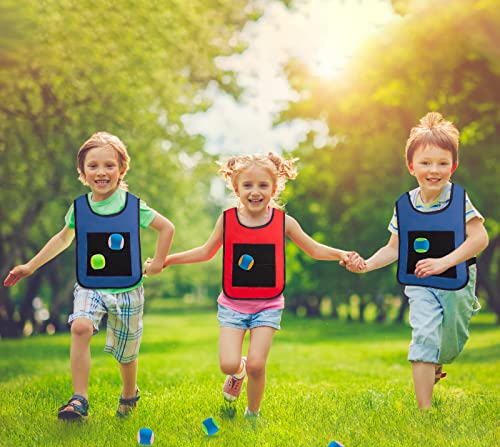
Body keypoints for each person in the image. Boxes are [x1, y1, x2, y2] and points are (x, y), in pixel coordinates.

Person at [158, 153, 358, 417]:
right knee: (228, 364)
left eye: (263, 185)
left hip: (268, 304)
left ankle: (252, 414)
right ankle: (237, 372)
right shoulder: (227, 220)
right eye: (248, 185)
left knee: (257, 364)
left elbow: (313, 248)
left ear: (274, 188)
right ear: (236, 188)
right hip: (232, 305)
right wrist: (168, 260)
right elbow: (206, 252)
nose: (255, 192)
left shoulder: (283, 222)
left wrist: (341, 254)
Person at [4, 132, 175, 420]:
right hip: (90, 285)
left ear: (122, 170)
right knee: (80, 327)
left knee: (126, 353)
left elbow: (166, 228)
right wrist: (29, 267)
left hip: (128, 288)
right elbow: (62, 239)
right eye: (93, 166)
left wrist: (158, 262)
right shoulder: (80, 208)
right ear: (82, 173)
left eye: (109, 165)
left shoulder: (133, 206)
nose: (101, 172)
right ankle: (79, 398)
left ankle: (129, 393)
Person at [345, 112, 489, 409]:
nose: (433, 170)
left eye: (442, 163)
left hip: (457, 282)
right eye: (425, 163)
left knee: (449, 346)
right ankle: (424, 411)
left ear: (454, 166)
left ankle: (437, 364)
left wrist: (444, 262)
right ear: (411, 167)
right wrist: (367, 264)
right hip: (420, 283)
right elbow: (395, 247)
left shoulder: (459, 200)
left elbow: (479, 239)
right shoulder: (405, 206)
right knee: (424, 336)